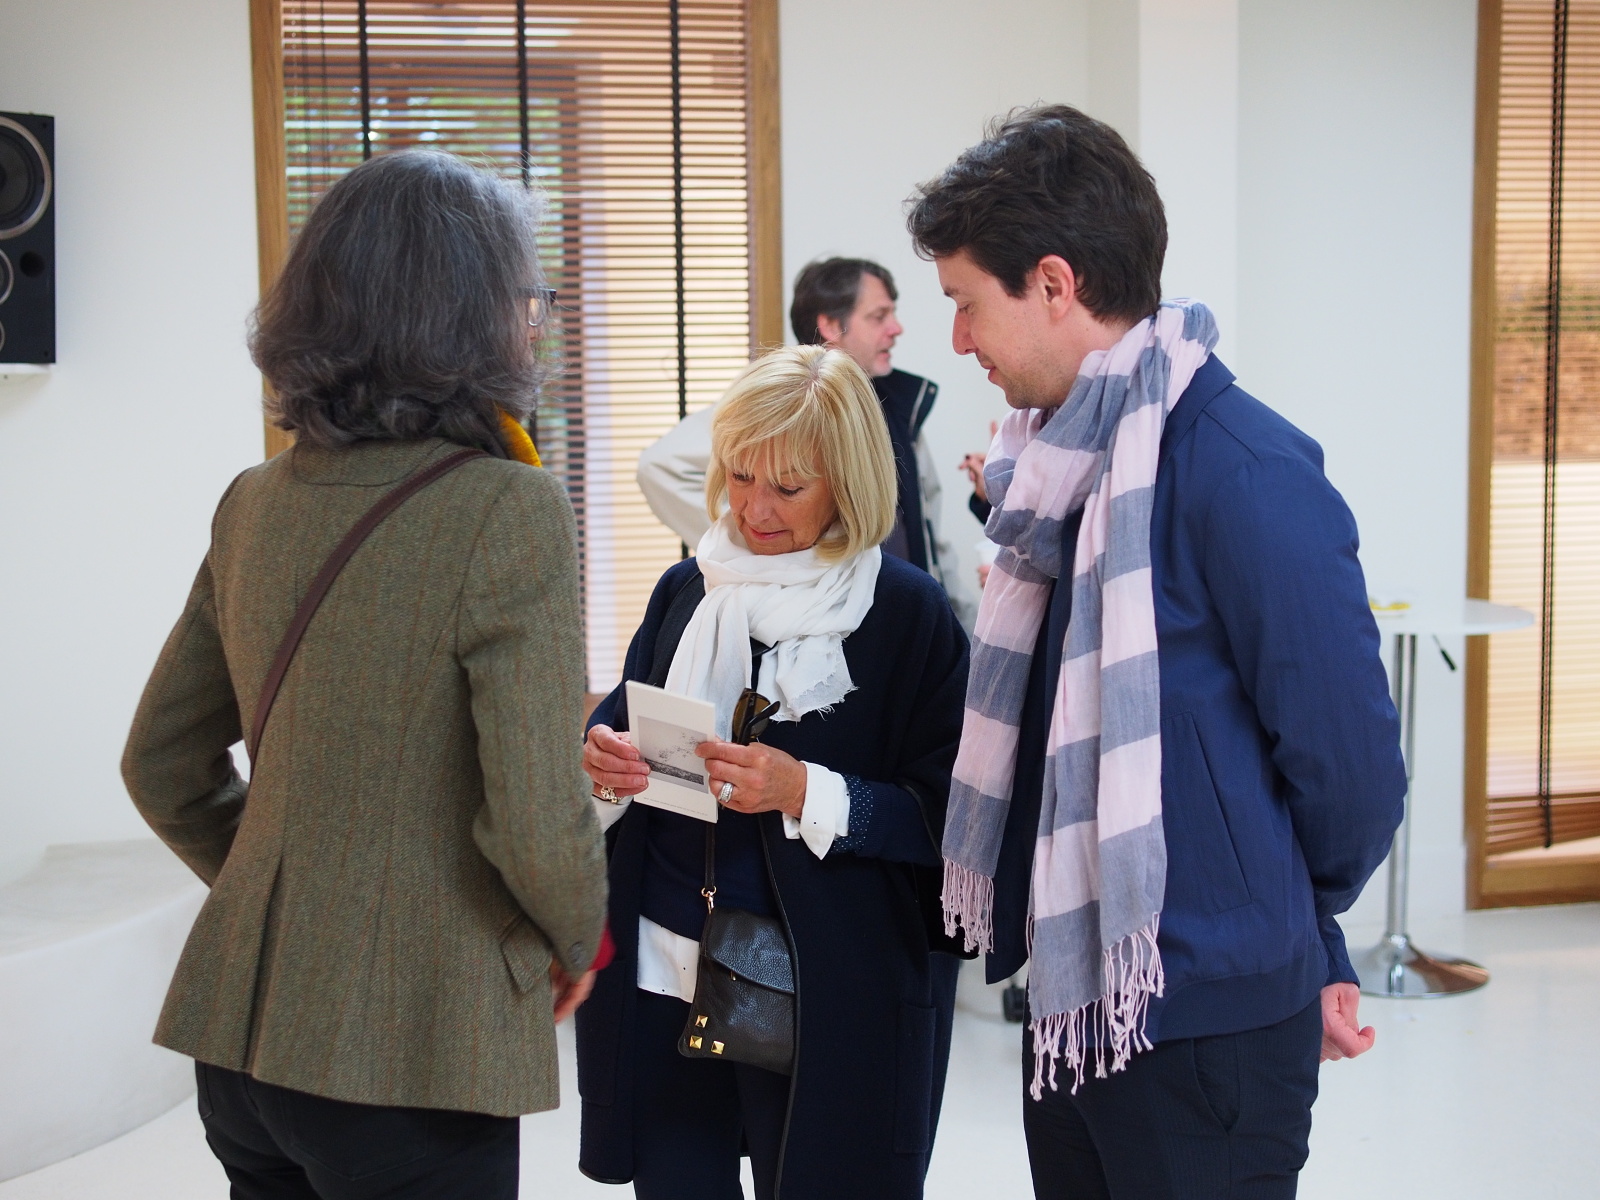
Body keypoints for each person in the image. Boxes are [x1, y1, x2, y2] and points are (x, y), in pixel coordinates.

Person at [907, 106, 1407, 1199]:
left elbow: (1353, 778)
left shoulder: (1243, 472)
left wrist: (1284, 930)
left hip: (1205, 1027)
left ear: (1053, 282)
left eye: (964, 303)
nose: (957, 342)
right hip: (1077, 1002)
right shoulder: (1060, 477)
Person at [121, 149, 610, 1200]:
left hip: (243, 1043)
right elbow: (534, 813)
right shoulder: (507, 508)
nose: (534, 322)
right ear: (467, 317)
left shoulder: (254, 500)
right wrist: (577, 939)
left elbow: (160, 764)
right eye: (524, 296)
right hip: (411, 1055)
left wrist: (290, 900)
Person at [575, 344, 970, 1200]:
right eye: (741, 475)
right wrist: (602, 767)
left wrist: (805, 792)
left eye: (788, 487)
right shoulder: (688, 589)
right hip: (664, 970)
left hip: (825, 993)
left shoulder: (907, 615)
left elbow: (950, 822)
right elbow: (617, 737)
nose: (754, 508)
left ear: (848, 484)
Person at [636, 257, 973, 624]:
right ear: (830, 325)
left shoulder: (900, 410)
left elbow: (927, 532)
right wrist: (756, 543)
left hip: (891, 618)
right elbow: (660, 465)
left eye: (788, 487)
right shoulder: (776, 410)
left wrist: (962, 621)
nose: (896, 328)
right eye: (878, 316)